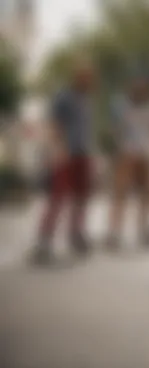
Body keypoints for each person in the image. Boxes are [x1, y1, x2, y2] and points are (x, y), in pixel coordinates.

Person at [32, 61, 95, 264]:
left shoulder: (86, 99)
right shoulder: (64, 96)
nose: (87, 79)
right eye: (83, 75)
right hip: (65, 153)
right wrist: (57, 150)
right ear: (76, 76)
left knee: (81, 197)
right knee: (58, 197)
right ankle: (43, 242)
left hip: (82, 153)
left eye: (90, 76)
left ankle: (76, 234)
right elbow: (53, 124)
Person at [106, 76, 149, 249]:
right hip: (126, 154)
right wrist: (120, 146)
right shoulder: (121, 106)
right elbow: (114, 129)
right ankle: (114, 232)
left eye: (143, 88)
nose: (140, 91)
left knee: (147, 194)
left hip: (144, 154)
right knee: (120, 194)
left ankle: (144, 229)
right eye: (136, 87)